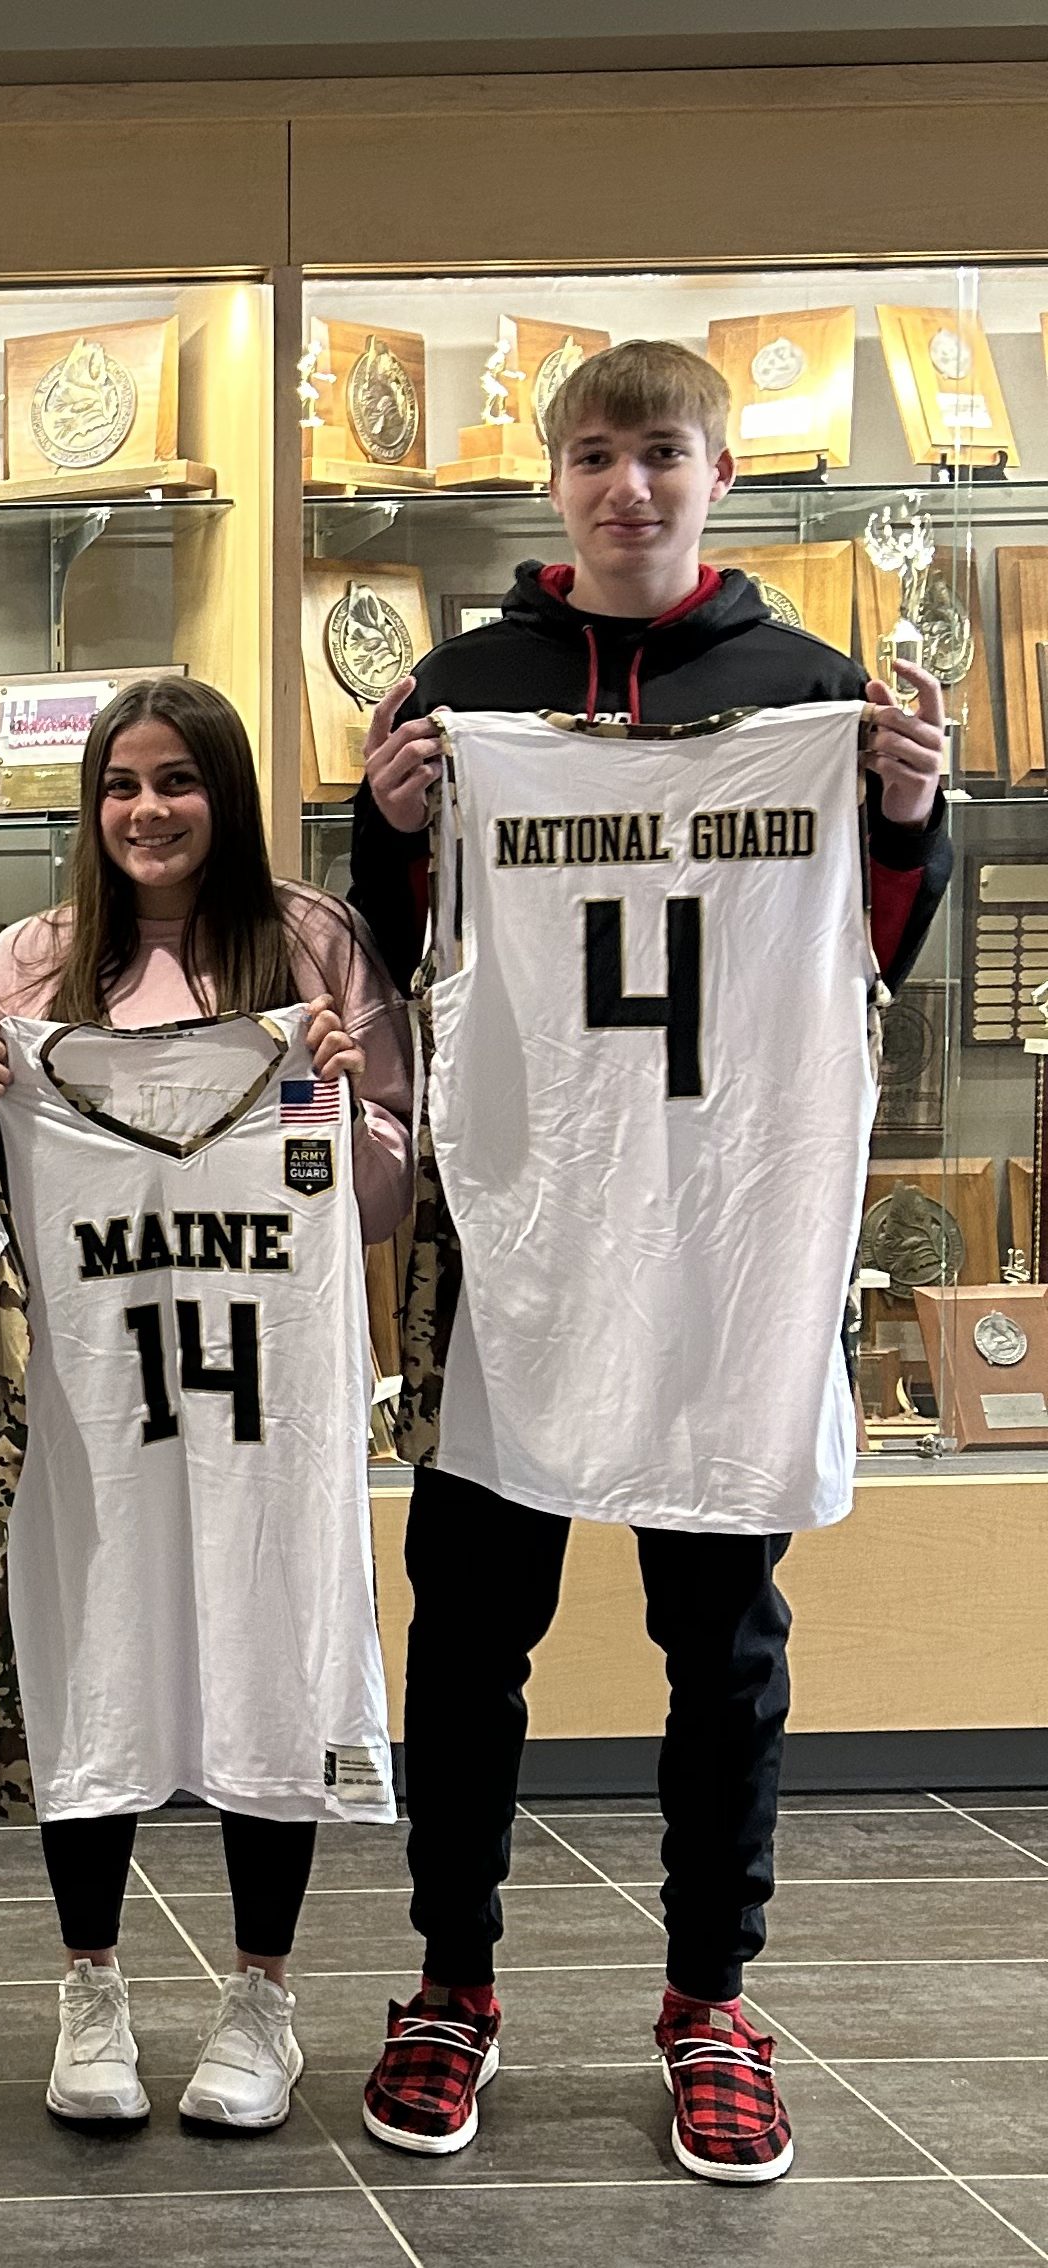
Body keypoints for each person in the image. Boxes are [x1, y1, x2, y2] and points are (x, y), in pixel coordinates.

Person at [344, 339, 953, 2183]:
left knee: (725, 1638)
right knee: (470, 1631)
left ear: (718, 474)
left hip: (725, 1234)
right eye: (598, 454)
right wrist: (389, 830)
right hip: (519, 1226)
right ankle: (452, 1980)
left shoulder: (817, 693)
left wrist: (905, 813)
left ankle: (712, 1999)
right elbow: (406, 951)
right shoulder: (464, 692)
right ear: (554, 480)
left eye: (664, 453)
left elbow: (876, 955)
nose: (631, 487)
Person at [0, 674, 413, 2133]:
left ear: (228, 790)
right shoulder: (32, 963)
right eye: (120, 785)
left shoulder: (312, 942)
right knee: (93, 1650)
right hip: (98, 1398)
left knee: (272, 1644)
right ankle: (90, 1986)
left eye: (177, 780)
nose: (147, 811)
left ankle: (262, 1994)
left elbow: (387, 1197)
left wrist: (347, 1101)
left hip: (267, 1403)